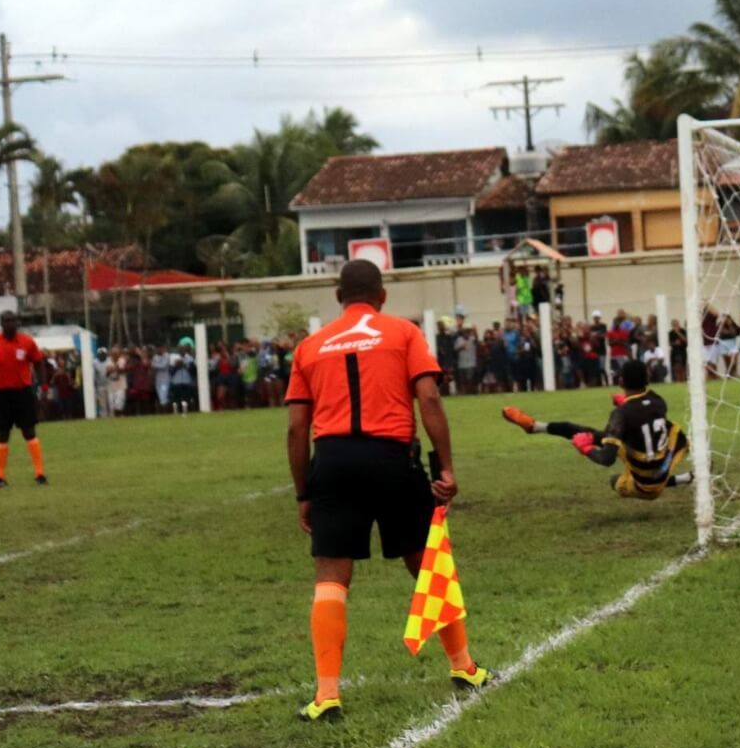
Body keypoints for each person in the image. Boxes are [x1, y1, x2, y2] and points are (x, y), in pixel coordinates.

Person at [286, 260, 486, 722]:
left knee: (331, 579)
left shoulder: (310, 347)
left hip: (333, 462)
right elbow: (429, 397)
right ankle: (464, 667)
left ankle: (326, 695)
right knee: (427, 565)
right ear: (382, 295)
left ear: (338, 295)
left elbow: (297, 429)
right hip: (394, 460)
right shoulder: (403, 333)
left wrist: (304, 492)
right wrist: (447, 467)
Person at [502, 360, 691, 501]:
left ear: (621, 381)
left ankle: (681, 479)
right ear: (647, 379)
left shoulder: (621, 414)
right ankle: (535, 426)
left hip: (645, 485)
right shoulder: (658, 400)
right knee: (587, 431)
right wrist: (626, 406)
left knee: (614, 480)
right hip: (663, 460)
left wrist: (585, 448)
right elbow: (642, 412)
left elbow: (607, 459)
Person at [0, 311, 47, 488]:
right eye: (6, 321)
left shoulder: (27, 342)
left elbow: (38, 363)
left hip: (23, 392)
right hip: (0, 393)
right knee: (2, 434)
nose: (10, 324)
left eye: (13, 321)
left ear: (17, 322)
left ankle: (40, 474)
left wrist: (43, 387)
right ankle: (0, 477)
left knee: (29, 432)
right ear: (1, 323)